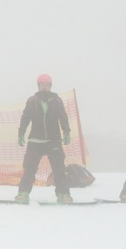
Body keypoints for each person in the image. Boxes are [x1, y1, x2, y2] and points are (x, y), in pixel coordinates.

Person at [14, 74, 73, 204]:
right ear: (38, 86)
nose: (44, 87)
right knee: (29, 169)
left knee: (59, 169)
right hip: (36, 141)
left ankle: (63, 194)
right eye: (42, 85)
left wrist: (67, 132)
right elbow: (25, 117)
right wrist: (21, 133)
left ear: (50, 86)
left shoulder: (56, 100)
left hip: (54, 141)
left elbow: (63, 117)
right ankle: (23, 193)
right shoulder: (32, 100)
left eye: (47, 85)